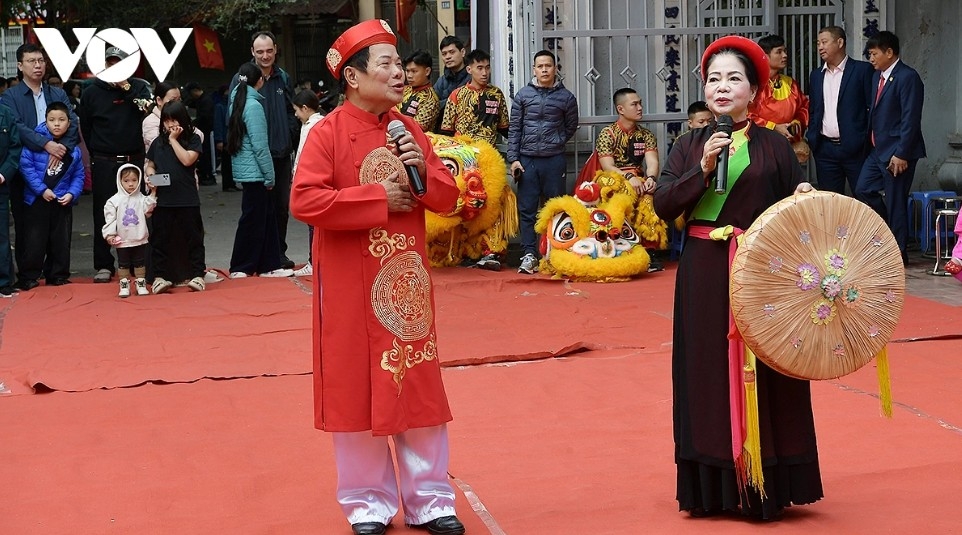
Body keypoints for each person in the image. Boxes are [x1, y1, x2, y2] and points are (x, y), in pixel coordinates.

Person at [290, 19, 465, 535]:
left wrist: (422, 171)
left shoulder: (408, 130)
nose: (399, 74)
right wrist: (374, 199)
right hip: (347, 290)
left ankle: (431, 500)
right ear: (352, 76)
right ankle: (367, 503)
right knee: (354, 391)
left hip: (403, 284)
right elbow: (304, 199)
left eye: (399, 63)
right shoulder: (325, 134)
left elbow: (447, 197)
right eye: (386, 64)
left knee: (417, 387)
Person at [653, 35, 822, 520]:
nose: (722, 87)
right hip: (705, 270)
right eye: (713, 79)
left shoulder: (775, 145)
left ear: (754, 90)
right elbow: (665, 206)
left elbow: (794, 209)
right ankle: (714, 483)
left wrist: (804, 195)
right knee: (706, 369)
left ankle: (768, 477)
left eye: (734, 79)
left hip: (761, 269)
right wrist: (703, 169)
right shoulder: (688, 145)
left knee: (767, 368)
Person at [0, 43, 79, 289]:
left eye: (41, 61)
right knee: (27, 225)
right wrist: (46, 144)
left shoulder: (57, 94)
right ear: (20, 66)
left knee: (59, 223)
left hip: (59, 167)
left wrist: (61, 148)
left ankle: (57, 272)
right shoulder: (10, 97)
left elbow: (73, 123)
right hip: (28, 167)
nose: (38, 65)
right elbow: (18, 129)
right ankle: (29, 274)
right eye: (32, 61)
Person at [79, 46, 152, 283]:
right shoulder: (91, 92)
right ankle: (103, 264)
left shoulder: (139, 86)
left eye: (118, 63)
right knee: (104, 212)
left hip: (134, 159)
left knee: (138, 211)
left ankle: (138, 261)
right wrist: (98, 152)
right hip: (105, 160)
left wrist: (125, 86)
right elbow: (86, 127)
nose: (114, 68)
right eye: (110, 64)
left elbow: (147, 110)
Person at [855, 30, 925, 264]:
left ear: (889, 52)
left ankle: (898, 252)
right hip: (877, 150)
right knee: (863, 188)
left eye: (874, 54)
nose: (871, 59)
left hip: (898, 151)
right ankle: (888, 235)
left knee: (896, 202)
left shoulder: (908, 77)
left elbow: (910, 118)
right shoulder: (877, 77)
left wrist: (902, 153)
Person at [230, 31, 298, 269]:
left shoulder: (283, 78)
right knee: (256, 211)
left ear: (276, 49)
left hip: (280, 153)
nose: (265, 56)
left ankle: (278, 254)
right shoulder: (243, 77)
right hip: (256, 156)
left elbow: (293, 111)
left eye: (269, 50)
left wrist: (289, 134)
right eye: (260, 52)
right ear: (252, 52)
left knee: (280, 208)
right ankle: (256, 258)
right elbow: (234, 112)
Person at [507, 49, 579, 275]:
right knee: (527, 209)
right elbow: (514, 130)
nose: (545, 70)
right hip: (528, 160)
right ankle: (529, 254)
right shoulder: (523, 96)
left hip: (554, 160)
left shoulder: (566, 98)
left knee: (555, 208)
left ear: (555, 69)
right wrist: (514, 159)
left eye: (549, 66)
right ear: (534, 69)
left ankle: (554, 253)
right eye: (540, 66)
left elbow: (570, 127)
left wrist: (555, 142)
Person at [16, 102, 84, 290]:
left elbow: (79, 175)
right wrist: (41, 190)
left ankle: (58, 274)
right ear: (45, 121)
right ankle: (29, 276)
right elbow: (26, 168)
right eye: (52, 120)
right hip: (37, 199)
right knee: (34, 240)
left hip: (62, 201)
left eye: (61, 120)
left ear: (69, 123)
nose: (56, 124)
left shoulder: (73, 150)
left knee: (60, 240)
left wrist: (72, 193)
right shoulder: (35, 142)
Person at [595, 88, 664, 271]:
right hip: (613, 177)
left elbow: (652, 161)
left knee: (649, 196)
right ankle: (619, 246)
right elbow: (607, 166)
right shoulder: (607, 134)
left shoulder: (646, 135)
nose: (640, 108)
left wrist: (650, 178)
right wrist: (628, 177)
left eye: (640, 103)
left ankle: (650, 251)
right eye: (634, 104)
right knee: (623, 193)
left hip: (638, 177)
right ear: (621, 109)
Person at [144, 101, 207, 293]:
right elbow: (150, 164)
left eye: (174, 120)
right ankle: (160, 277)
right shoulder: (157, 142)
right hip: (163, 199)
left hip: (187, 197)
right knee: (160, 238)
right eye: (167, 121)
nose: (171, 125)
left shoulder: (193, 138)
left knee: (193, 237)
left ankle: (198, 274)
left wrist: (173, 139)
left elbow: (187, 160)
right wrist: (150, 176)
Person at [806, 26, 873, 196]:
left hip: (855, 148)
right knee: (830, 201)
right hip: (825, 149)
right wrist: (813, 139)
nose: (820, 47)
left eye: (824, 42)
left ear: (840, 42)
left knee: (864, 196)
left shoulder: (861, 71)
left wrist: (864, 140)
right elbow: (813, 110)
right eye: (818, 43)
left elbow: (871, 109)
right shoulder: (816, 75)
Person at [103, 164, 157, 297]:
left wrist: (153, 192)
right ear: (119, 181)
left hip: (139, 237)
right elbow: (110, 219)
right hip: (122, 239)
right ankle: (124, 284)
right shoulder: (113, 201)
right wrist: (110, 234)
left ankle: (140, 283)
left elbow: (149, 209)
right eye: (126, 181)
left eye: (134, 180)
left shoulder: (141, 198)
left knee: (140, 262)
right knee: (123, 263)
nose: (131, 184)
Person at [438, 49, 509, 146]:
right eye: (479, 68)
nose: (484, 73)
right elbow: (446, 130)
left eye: (487, 68)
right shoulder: (456, 95)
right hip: (463, 152)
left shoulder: (496, 94)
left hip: (488, 153)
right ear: (469, 70)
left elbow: (504, 127)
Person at [749, 35, 808, 144]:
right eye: (779, 52)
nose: (785, 55)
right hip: (760, 144)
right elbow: (746, 115)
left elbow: (803, 108)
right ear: (765, 56)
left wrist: (795, 124)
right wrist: (774, 127)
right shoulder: (753, 85)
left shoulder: (790, 83)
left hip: (788, 144)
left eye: (785, 51)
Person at [291, 89, 324, 277]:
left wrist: (295, 177)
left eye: (296, 110)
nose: (296, 115)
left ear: (305, 108)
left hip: (309, 177)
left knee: (312, 223)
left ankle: (313, 261)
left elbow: (302, 154)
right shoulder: (324, 121)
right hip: (322, 177)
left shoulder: (310, 126)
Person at [0, 103, 21, 297]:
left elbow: (15, 148)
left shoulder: (5, 112)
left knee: (2, 236)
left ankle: (3, 282)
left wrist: (3, 174)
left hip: (0, 184)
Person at [433, 35, 470, 132]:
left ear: (462, 52)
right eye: (444, 54)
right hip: (443, 133)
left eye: (452, 52)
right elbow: (432, 105)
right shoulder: (441, 81)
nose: (448, 57)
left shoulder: (472, 78)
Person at [397, 50, 440, 132]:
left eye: (414, 71)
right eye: (407, 71)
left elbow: (416, 128)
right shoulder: (404, 89)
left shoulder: (430, 99)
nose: (409, 76)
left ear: (427, 71)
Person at [184, 81, 217, 185]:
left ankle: (208, 175)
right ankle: (206, 174)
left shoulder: (206, 100)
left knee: (206, 154)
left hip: (206, 130)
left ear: (195, 91)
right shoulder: (201, 100)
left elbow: (204, 117)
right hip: (203, 130)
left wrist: (192, 123)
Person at [213, 84, 237, 192]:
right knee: (226, 163)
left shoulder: (230, 105)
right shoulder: (220, 106)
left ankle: (231, 183)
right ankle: (227, 184)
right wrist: (219, 140)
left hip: (230, 138)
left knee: (230, 163)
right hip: (225, 138)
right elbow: (218, 124)